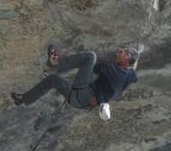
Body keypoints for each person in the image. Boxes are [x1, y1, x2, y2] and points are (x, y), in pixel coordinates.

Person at [11, 44, 143, 110]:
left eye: (123, 51)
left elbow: (96, 68)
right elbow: (133, 67)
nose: (120, 51)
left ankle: (54, 62)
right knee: (52, 80)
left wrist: (134, 55)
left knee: (91, 57)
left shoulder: (111, 69)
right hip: (79, 102)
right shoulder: (131, 75)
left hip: (84, 94)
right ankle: (22, 99)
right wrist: (137, 54)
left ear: (127, 57)